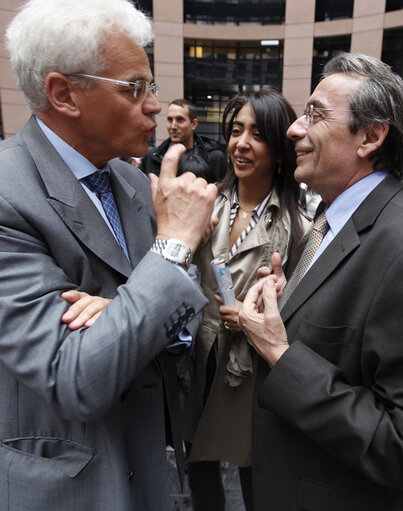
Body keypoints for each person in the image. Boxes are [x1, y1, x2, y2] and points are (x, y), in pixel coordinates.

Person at [0, 1, 216, 510]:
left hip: (150, 474)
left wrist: (121, 307)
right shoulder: (9, 193)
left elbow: (177, 320)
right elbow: (74, 376)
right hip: (67, 487)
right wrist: (173, 248)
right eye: (135, 88)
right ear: (63, 93)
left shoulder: (128, 179)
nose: (155, 106)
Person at [239, 52, 403, 511]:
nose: (294, 128)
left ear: (371, 136)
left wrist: (278, 351)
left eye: (314, 114)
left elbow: (395, 441)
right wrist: (297, 298)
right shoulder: (332, 218)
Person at [179, 89, 311, 511]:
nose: (241, 143)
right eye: (236, 131)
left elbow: (302, 310)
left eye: (257, 134)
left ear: (278, 151)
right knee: (197, 464)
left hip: (249, 370)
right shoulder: (204, 203)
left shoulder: (298, 226)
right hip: (196, 355)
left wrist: (261, 313)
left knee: (254, 467)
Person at [141, 98, 227, 181]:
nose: (173, 126)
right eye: (170, 120)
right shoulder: (152, 157)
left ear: (193, 124)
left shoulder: (215, 158)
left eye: (180, 120)